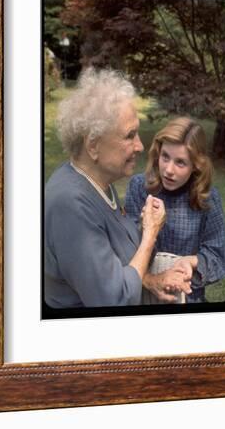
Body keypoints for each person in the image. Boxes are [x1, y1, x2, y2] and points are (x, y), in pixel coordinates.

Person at [44, 68, 167, 308]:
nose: (140, 146)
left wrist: (148, 279)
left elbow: (113, 254)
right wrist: (150, 235)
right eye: (129, 135)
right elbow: (115, 299)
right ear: (93, 145)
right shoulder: (69, 205)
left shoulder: (99, 183)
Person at [125, 117, 225, 303]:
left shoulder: (206, 198)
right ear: (158, 153)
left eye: (180, 162)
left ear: (196, 165)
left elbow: (219, 256)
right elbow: (124, 249)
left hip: (186, 297)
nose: (168, 170)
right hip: (143, 294)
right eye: (165, 157)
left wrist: (192, 261)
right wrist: (145, 228)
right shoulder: (139, 187)